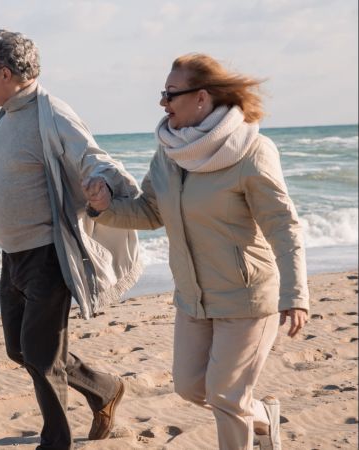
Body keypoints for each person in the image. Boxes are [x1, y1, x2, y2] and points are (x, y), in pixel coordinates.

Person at [0, 30, 140, 448]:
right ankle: (104, 388)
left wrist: (102, 185)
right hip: (12, 255)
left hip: (48, 254)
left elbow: (92, 157)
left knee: (41, 357)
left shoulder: (51, 113)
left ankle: (55, 442)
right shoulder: (4, 117)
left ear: (5, 72)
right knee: (21, 351)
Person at [83, 53, 309, 450]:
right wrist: (106, 209)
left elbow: (282, 225)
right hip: (193, 298)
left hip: (247, 297)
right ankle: (262, 415)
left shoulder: (251, 152)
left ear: (201, 98)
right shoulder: (170, 153)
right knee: (191, 387)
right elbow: (152, 211)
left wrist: (296, 294)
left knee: (225, 395)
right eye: (163, 94)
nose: (163, 103)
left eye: (171, 94)